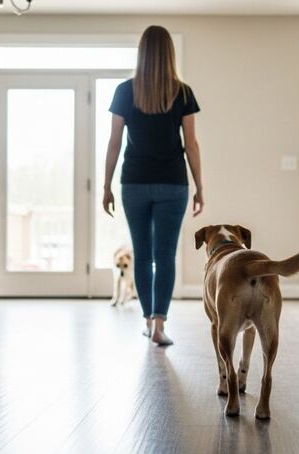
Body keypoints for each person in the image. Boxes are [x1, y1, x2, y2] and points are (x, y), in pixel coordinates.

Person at [102, 25, 204, 346]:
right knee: (165, 255)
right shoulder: (183, 93)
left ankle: (148, 321)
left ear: (142, 53)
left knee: (143, 254)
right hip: (173, 183)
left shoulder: (125, 91)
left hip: (134, 182)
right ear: (170, 54)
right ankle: (160, 324)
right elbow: (191, 144)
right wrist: (200, 186)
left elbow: (114, 142)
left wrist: (106, 185)